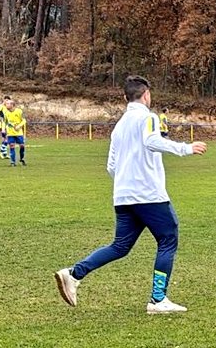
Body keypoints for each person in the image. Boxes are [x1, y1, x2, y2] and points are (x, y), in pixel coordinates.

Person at [54, 75, 207, 314]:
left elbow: (111, 166)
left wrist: (126, 184)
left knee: (120, 246)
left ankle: (73, 274)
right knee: (168, 239)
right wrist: (185, 148)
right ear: (146, 95)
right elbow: (151, 140)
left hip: (123, 196)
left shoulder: (119, 126)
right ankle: (158, 300)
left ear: (126, 98)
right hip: (148, 195)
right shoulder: (148, 117)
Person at [2, 98, 27, 167]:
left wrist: (19, 126)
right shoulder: (6, 113)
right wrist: (3, 129)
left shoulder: (19, 111)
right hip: (10, 133)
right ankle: (12, 162)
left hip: (19, 133)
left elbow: (24, 120)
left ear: (12, 105)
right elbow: (4, 121)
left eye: (7, 104)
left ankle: (22, 158)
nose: (5, 105)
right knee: (11, 146)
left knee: (22, 146)